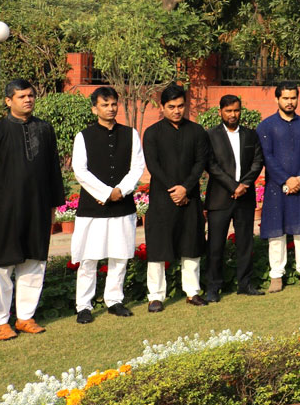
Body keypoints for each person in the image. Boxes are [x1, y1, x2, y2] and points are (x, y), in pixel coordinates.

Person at [0, 79, 65, 340]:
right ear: (8, 101)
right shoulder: (0, 130)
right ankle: (1, 321)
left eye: (31, 95)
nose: (28, 99)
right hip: (5, 209)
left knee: (34, 261)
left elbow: (53, 170)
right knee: (2, 265)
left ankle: (25, 317)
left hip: (37, 207)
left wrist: (54, 205)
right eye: (21, 96)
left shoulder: (45, 129)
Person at [72, 86, 146, 323]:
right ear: (95, 108)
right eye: (105, 105)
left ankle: (114, 300)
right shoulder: (83, 136)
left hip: (122, 205)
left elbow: (137, 167)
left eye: (114, 104)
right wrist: (105, 193)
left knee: (120, 256)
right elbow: (80, 171)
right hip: (93, 207)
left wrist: (120, 191)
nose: (111, 108)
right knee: (88, 258)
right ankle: (84, 305)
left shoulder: (130, 134)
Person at [143, 84, 209, 311]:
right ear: (162, 107)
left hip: (189, 198)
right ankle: (156, 296)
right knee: (158, 248)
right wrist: (174, 189)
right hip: (163, 199)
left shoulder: (197, 131)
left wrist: (186, 188)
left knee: (191, 244)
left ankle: (192, 292)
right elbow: (153, 165)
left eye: (181, 106)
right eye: (171, 106)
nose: (177, 111)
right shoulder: (152, 133)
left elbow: (201, 163)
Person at [258, 82, 300, 292]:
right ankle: (276, 275)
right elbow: (267, 157)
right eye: (285, 98)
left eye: (293, 97)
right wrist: (286, 179)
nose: (290, 102)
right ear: (277, 99)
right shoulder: (266, 126)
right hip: (276, 186)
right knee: (277, 232)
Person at [205, 95, 265, 301]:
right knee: (215, 245)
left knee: (245, 243)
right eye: (228, 111)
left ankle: (245, 284)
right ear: (220, 111)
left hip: (245, 198)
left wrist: (245, 185)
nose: (233, 114)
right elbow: (211, 165)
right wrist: (233, 186)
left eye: (236, 110)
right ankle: (213, 288)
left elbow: (258, 162)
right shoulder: (210, 135)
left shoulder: (251, 135)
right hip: (219, 198)